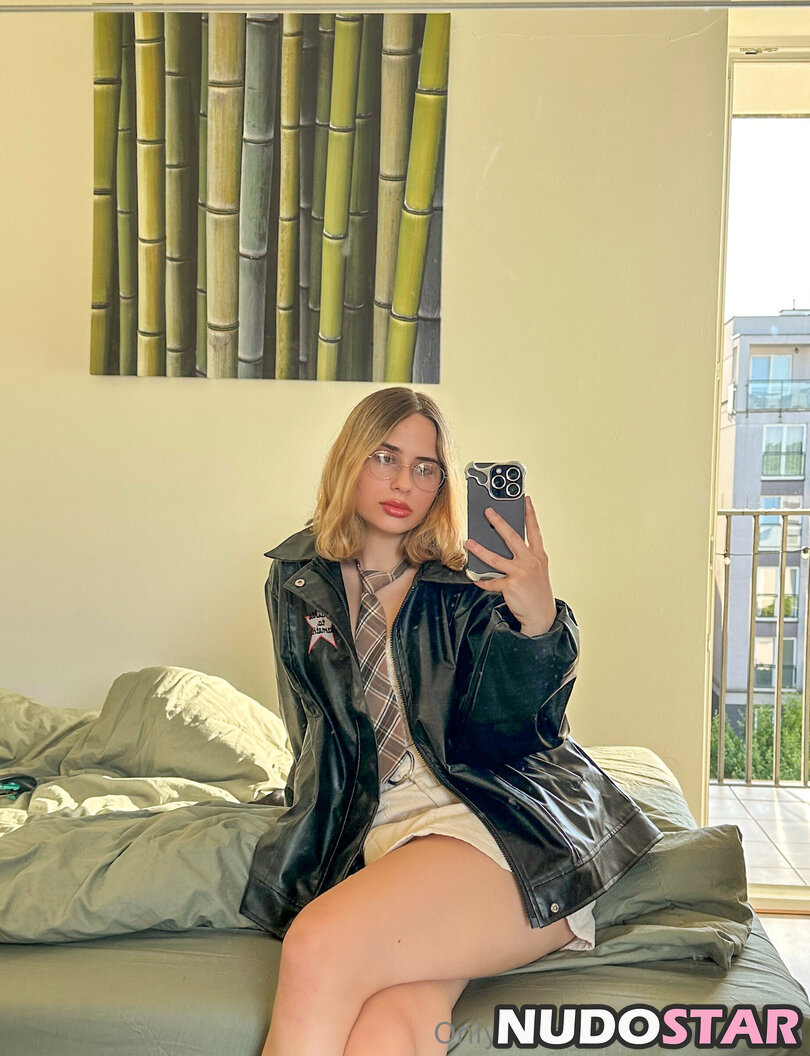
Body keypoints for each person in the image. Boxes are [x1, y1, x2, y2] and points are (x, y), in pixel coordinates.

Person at [241, 386, 663, 1056]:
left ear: (442, 483)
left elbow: (522, 732)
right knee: (388, 1031)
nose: (404, 483)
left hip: (492, 821)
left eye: (426, 467)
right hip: (387, 834)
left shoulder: (470, 585)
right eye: (385, 457)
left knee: (315, 947)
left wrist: (537, 618)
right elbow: (310, 726)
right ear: (350, 458)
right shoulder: (297, 578)